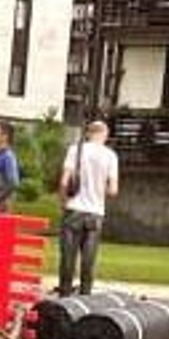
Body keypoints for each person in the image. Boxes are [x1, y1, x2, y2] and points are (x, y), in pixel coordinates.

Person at [57, 119, 121, 296]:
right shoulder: (110, 156)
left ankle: (65, 296)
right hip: (95, 213)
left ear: (88, 133)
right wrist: (100, 189)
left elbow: (64, 182)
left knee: (68, 258)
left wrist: (63, 201)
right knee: (88, 260)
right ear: (105, 135)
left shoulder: (75, 150)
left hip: (74, 209)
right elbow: (113, 190)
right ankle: (85, 297)